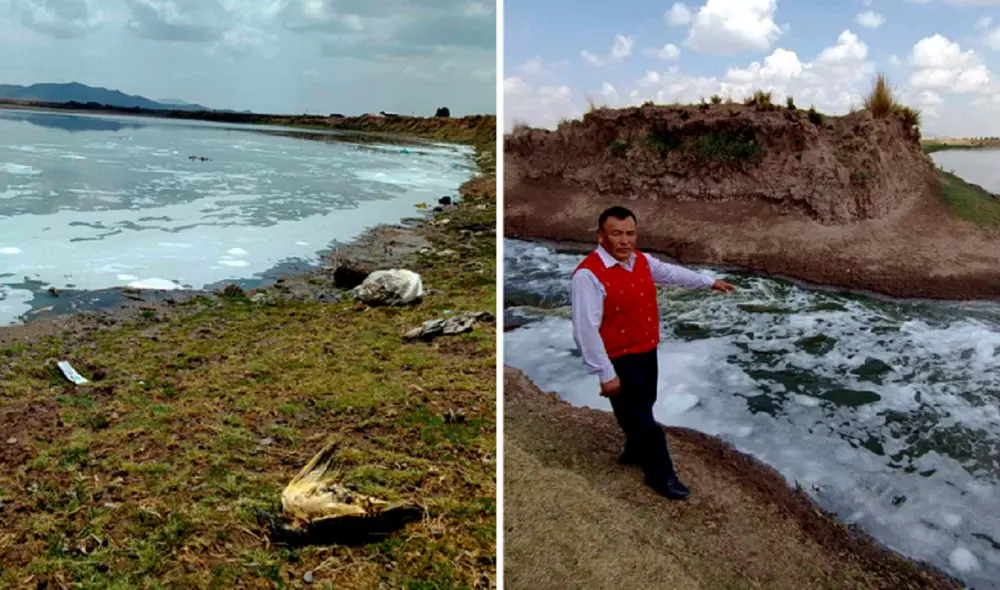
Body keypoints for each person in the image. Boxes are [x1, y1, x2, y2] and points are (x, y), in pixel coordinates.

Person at [570, 205, 736, 499]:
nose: (624, 241)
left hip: (646, 350)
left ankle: (634, 451)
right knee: (644, 420)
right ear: (600, 236)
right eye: (616, 234)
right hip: (618, 357)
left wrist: (709, 283)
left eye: (630, 234)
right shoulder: (587, 276)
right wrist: (606, 374)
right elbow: (585, 330)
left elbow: (672, 274)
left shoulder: (640, 260)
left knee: (643, 404)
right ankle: (661, 476)